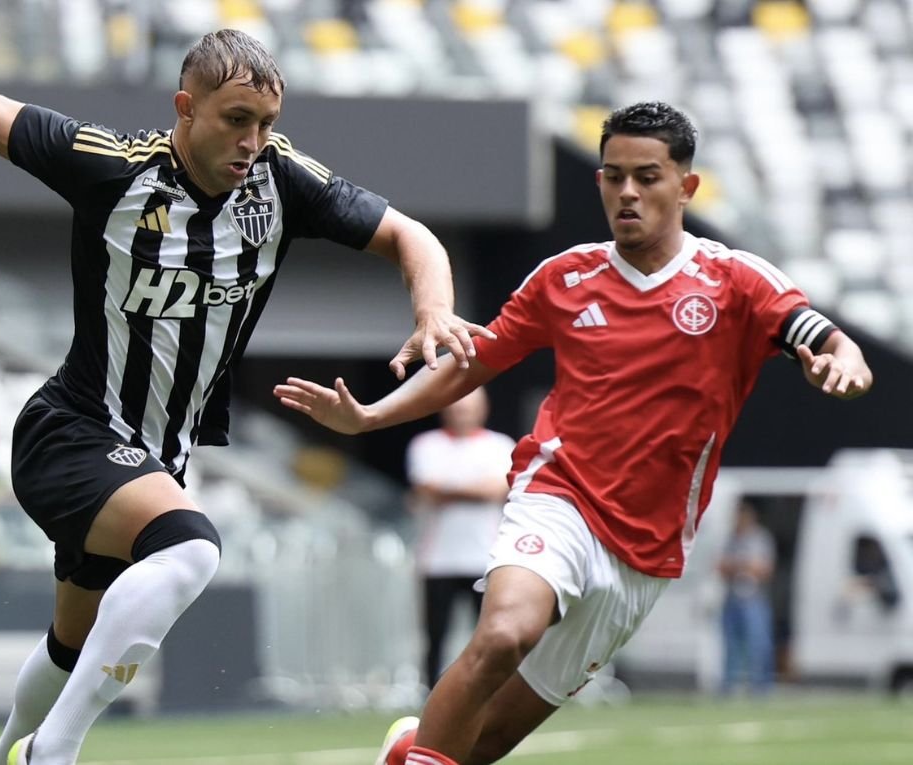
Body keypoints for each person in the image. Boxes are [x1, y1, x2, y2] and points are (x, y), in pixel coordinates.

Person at [0, 29, 493, 765]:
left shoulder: (281, 181)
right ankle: (53, 752)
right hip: (72, 432)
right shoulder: (111, 167)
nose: (253, 141)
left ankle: (2, 757)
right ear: (185, 108)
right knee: (191, 549)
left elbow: (412, 236)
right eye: (236, 119)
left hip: (153, 458)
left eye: (267, 123)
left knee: (73, 643)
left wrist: (432, 310)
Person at [273, 101, 874, 765]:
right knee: (504, 634)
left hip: (645, 552)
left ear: (687, 186)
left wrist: (843, 363)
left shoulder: (736, 281)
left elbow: (828, 339)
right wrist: (371, 416)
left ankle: (410, 750)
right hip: (559, 496)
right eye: (613, 176)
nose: (627, 192)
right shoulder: (565, 276)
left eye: (646, 176)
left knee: (487, 739)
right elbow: (472, 362)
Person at [405, 388, 512, 688]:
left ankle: (488, 693)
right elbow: (426, 488)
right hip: (437, 560)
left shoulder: (499, 445)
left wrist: (447, 489)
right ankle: (430, 694)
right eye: (457, 408)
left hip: (485, 558)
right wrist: (474, 490)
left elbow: (497, 490)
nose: (462, 414)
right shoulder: (426, 445)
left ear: (483, 409)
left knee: (490, 633)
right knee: (435, 635)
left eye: (467, 408)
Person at [717, 501, 776, 695]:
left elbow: (765, 569)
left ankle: (760, 687)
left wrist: (741, 565)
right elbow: (720, 566)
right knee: (731, 646)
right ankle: (729, 686)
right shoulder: (730, 539)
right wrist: (743, 564)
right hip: (732, 598)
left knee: (758, 645)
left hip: (754, 599)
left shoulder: (760, 539)